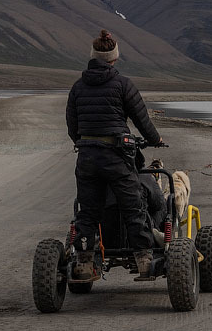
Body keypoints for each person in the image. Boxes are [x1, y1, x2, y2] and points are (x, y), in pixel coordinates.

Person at [65, 29, 165, 281]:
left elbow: (72, 126)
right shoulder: (122, 85)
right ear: (114, 58)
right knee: (133, 207)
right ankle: (143, 259)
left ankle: (84, 263)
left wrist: (86, 143)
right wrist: (156, 140)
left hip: (87, 157)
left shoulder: (78, 87)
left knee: (87, 210)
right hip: (117, 156)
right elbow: (142, 119)